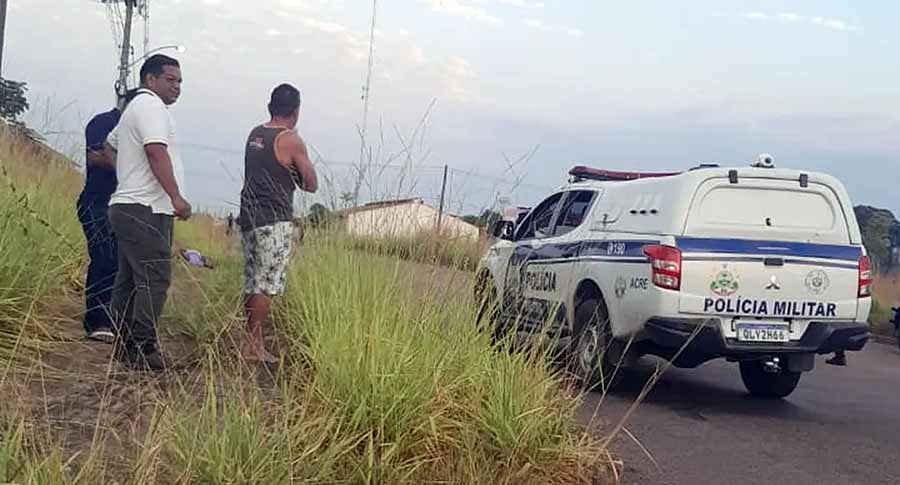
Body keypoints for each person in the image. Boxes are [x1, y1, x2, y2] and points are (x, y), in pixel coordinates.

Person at [107, 54, 191, 371]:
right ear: (150, 80)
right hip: (145, 208)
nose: (177, 86)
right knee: (155, 279)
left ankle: (125, 344)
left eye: (180, 81)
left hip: (129, 205)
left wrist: (127, 175)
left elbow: (109, 144)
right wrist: (176, 197)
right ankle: (142, 347)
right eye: (170, 79)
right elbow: (155, 151)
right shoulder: (151, 107)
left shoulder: (135, 109)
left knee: (130, 280)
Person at [238, 83, 317, 362]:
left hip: (248, 215)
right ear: (295, 112)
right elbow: (310, 183)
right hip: (274, 218)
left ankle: (252, 341)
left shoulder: (255, 134)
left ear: (270, 106)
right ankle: (253, 346)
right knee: (267, 282)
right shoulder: (290, 139)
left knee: (252, 280)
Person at [76, 87, 139, 343]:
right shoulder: (105, 122)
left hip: (122, 206)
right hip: (97, 202)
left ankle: (114, 318)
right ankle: (97, 321)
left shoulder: (135, 131)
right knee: (105, 258)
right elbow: (95, 157)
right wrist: (133, 165)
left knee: (120, 263)